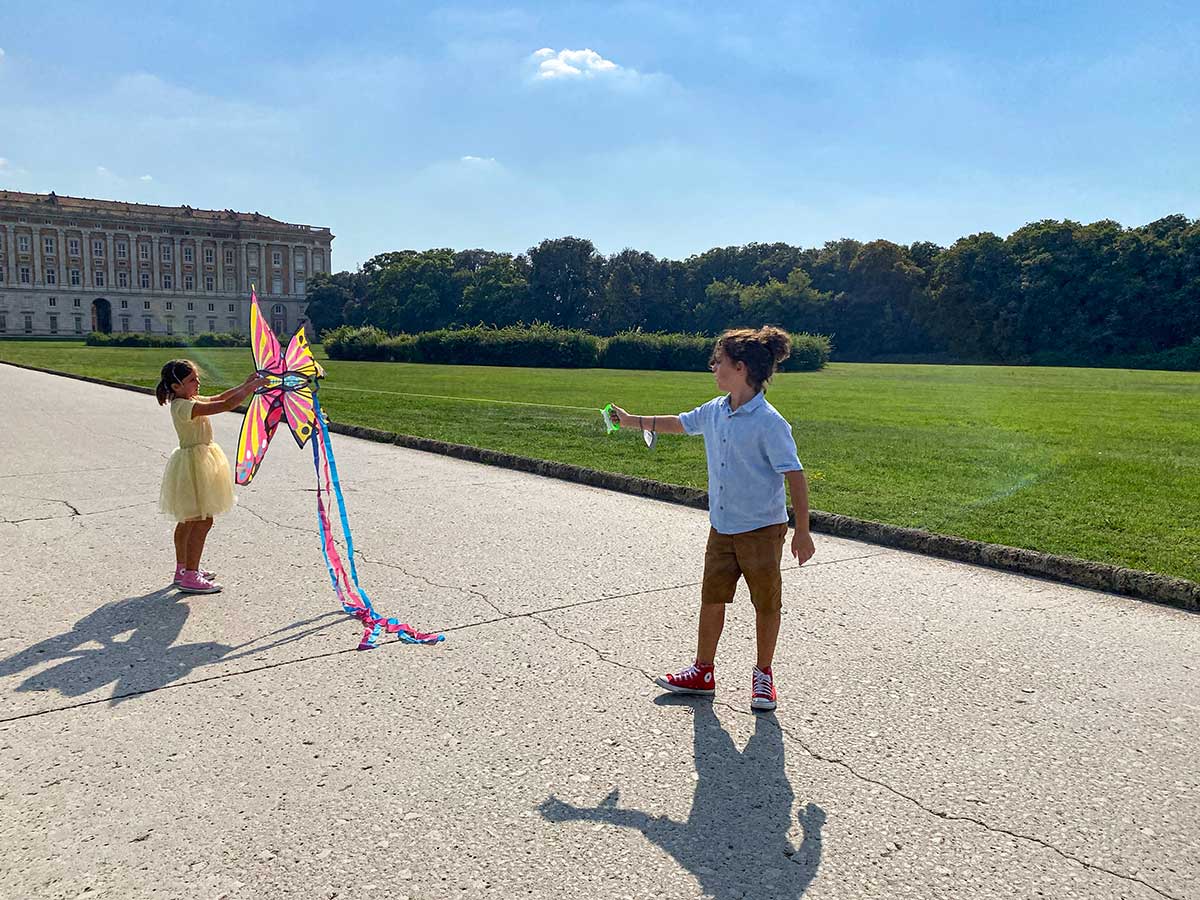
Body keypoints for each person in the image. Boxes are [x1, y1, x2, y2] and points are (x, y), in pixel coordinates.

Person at [611, 326, 815, 711]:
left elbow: (796, 476)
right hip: (722, 526)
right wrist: (632, 420)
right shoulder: (716, 410)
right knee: (712, 599)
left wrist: (801, 531)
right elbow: (680, 422)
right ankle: (703, 671)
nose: (713, 368)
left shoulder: (770, 423)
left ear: (739, 368)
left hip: (761, 530)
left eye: (717, 362)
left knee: (766, 604)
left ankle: (763, 676)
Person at [155, 359, 266, 594]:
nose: (198, 382)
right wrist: (251, 389)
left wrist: (244, 384)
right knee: (203, 520)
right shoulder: (184, 407)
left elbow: (219, 398)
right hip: (195, 464)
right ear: (176, 387)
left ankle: (183, 570)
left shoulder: (188, 400)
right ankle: (191, 576)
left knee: (189, 519)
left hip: (195, 462)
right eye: (192, 380)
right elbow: (225, 405)